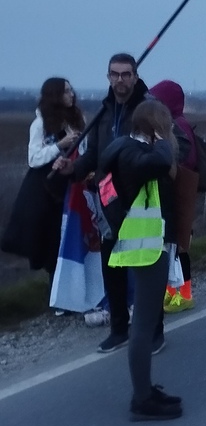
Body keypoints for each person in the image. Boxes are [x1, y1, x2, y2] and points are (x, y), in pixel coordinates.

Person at [53, 53, 152, 353]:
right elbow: (92, 153)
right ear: (107, 76)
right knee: (113, 266)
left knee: (146, 268)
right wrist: (73, 169)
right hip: (108, 199)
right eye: (114, 74)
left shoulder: (148, 110)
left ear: (135, 76)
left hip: (142, 199)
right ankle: (119, 328)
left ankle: (154, 329)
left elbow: (162, 152)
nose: (120, 80)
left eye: (125, 74)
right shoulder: (103, 112)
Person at [97, 100, 182, 420]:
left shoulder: (127, 148)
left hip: (147, 244)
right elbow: (160, 163)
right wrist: (162, 140)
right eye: (166, 123)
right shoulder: (136, 152)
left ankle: (144, 389)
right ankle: (142, 398)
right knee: (143, 326)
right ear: (156, 124)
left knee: (144, 324)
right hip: (145, 248)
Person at [2, 78, 83, 296]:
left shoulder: (76, 119)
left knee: (69, 239)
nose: (71, 95)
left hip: (70, 185)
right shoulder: (40, 124)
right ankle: (56, 296)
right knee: (50, 242)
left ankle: (71, 292)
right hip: (44, 190)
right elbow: (34, 158)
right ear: (55, 96)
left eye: (71, 90)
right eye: (66, 92)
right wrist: (60, 145)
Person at [149, 80, 201, 314]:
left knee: (180, 247)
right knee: (173, 247)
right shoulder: (174, 124)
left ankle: (185, 294)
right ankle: (173, 294)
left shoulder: (178, 126)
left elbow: (186, 159)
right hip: (178, 194)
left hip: (180, 194)